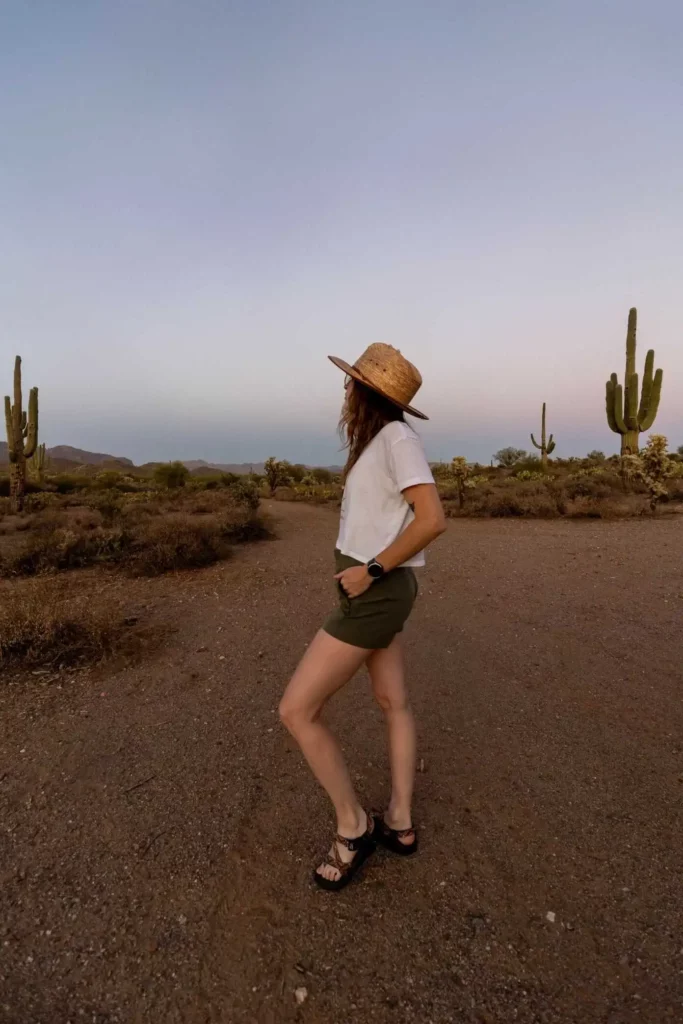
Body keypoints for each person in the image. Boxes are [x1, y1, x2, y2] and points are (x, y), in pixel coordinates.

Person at [279, 343, 446, 891]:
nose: (345, 392)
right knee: (393, 702)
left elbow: (432, 518)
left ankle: (354, 826)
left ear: (366, 393)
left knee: (296, 710)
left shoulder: (397, 438)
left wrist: (370, 570)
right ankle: (399, 822)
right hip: (378, 593)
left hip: (374, 594)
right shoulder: (381, 442)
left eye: (351, 384)